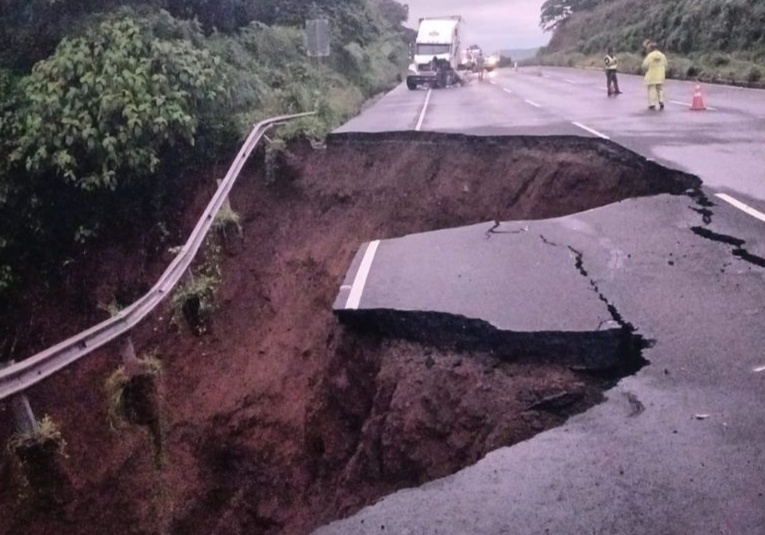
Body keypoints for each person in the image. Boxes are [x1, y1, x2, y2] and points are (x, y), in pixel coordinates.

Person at [642, 42, 667, 110]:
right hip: (660, 75)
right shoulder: (662, 56)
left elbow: (644, 65)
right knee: (660, 89)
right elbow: (666, 64)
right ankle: (661, 101)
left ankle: (652, 104)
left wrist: (645, 70)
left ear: (651, 48)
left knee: (651, 89)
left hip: (651, 75)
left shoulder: (650, 56)